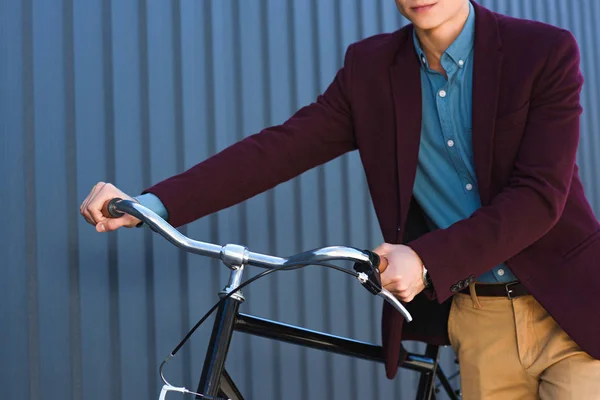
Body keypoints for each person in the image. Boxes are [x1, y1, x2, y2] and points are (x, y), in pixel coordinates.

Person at [80, 0, 600, 398]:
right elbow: (278, 149)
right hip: (478, 319)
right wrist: (153, 204)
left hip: (571, 311)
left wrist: (426, 258)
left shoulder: (543, 51)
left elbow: (538, 196)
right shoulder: (372, 70)